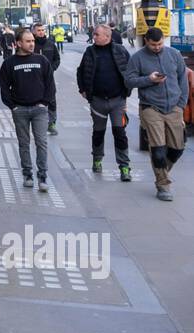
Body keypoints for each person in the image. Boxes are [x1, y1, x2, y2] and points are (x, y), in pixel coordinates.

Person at [125, 27, 189, 202]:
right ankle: (163, 185)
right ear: (146, 41)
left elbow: (183, 80)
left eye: (160, 43)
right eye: (154, 44)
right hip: (150, 107)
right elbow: (128, 81)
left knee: (177, 149)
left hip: (174, 107)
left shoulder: (174, 54)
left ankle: (162, 172)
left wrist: (181, 105)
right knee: (158, 150)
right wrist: (149, 79)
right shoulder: (137, 58)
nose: (157, 47)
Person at [0, 27, 56, 191]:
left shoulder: (42, 60)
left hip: (39, 109)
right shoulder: (9, 64)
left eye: (32, 41)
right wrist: (13, 107)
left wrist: (45, 103)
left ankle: (43, 175)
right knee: (24, 143)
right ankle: (28, 173)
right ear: (18, 43)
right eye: (28, 41)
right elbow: (4, 89)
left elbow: (50, 85)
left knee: (42, 142)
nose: (32, 44)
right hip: (20, 110)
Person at [76, 22, 132, 180]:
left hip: (117, 101)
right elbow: (80, 71)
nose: (93, 37)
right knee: (98, 132)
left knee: (120, 133)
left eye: (96, 35)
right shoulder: (90, 51)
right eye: (93, 34)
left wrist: (126, 92)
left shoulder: (120, 50)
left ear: (107, 37)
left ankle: (124, 167)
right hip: (98, 101)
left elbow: (130, 71)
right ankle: (97, 159)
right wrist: (82, 90)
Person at [31, 22, 61, 134]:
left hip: (48, 78)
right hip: (33, 78)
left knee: (52, 100)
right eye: (38, 30)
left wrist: (52, 69)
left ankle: (51, 123)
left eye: (43, 30)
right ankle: (36, 124)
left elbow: (57, 59)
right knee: (35, 100)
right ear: (34, 31)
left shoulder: (50, 44)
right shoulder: (31, 44)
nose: (41, 32)